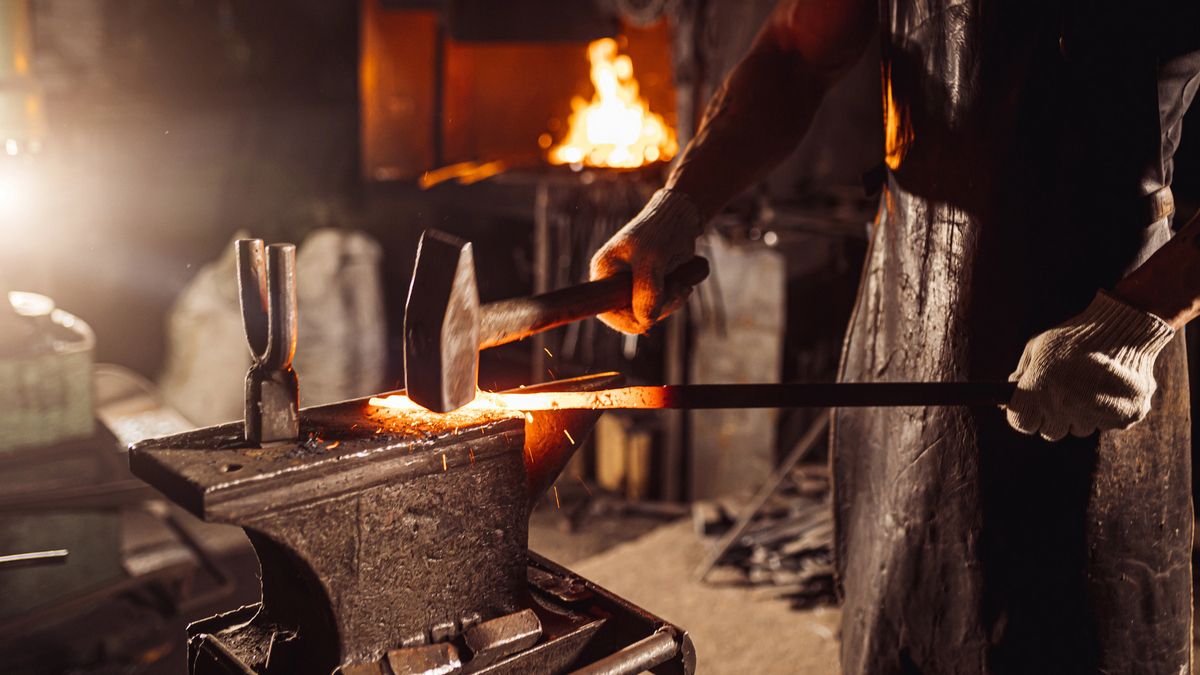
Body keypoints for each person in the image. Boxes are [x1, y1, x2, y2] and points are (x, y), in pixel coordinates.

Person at [588, 1, 1200, 673]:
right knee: (901, 633)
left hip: (1097, 344)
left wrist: (1139, 318)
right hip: (909, 311)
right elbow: (796, 52)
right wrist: (680, 202)